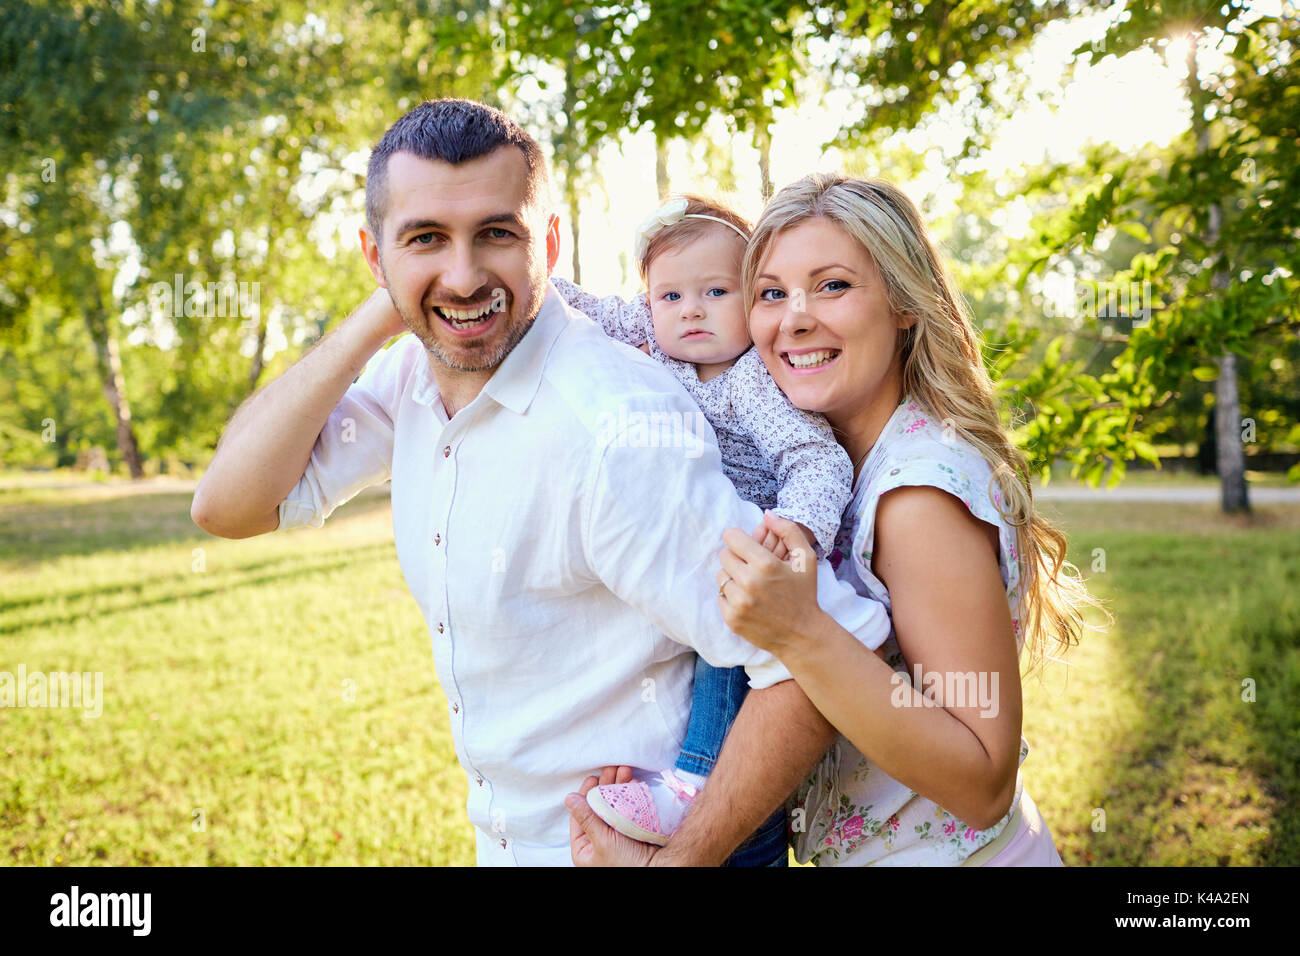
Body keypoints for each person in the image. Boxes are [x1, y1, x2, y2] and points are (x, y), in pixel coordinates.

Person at [190, 99, 890, 866]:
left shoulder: (612, 427)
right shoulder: (411, 374)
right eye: (425, 239)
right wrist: (372, 324)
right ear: (374, 256)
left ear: (548, 244)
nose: (461, 276)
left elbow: (815, 661)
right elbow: (229, 506)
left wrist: (682, 862)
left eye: (497, 234)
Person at [566, 174, 1104, 865]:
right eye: (771, 292)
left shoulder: (917, 498)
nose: (794, 318)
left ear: (906, 304)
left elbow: (983, 782)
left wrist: (801, 631)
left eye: (833, 286)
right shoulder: (833, 466)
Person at [548, 195, 886, 846]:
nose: (691, 309)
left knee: (726, 655)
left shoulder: (750, 379)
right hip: (696, 543)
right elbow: (577, 307)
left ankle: (694, 784)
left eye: (715, 291)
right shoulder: (655, 344)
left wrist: (797, 527)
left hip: (756, 546)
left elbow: (816, 458)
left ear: (752, 298)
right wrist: (522, 277)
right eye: (670, 297)